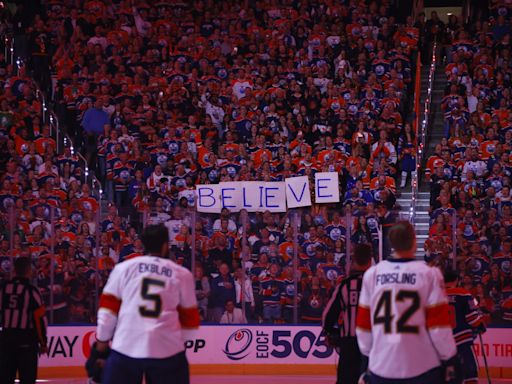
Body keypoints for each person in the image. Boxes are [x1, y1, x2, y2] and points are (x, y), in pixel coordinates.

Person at [94, 224, 200, 384]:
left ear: (143, 244)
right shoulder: (181, 273)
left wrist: (102, 344)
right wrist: (179, 342)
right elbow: (190, 320)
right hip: (167, 349)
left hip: (126, 345)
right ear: (165, 246)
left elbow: (107, 311)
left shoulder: (124, 268)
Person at [356, 221, 459, 383]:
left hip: (382, 367)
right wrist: (450, 359)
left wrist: (369, 357)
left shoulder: (373, 274)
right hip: (422, 366)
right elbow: (438, 328)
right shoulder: (429, 274)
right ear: (414, 241)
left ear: (392, 244)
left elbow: (363, 327)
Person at [323, 244, 373, 384]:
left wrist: (331, 332)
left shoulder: (345, 285)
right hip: (373, 343)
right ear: (370, 261)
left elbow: (328, 315)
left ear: (353, 261)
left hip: (349, 342)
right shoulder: (377, 284)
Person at [0, 257, 48, 384]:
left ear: (14, 270)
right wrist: (43, 342)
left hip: (6, 341)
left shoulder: (4, 289)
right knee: (27, 379)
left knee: (5, 378)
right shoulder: (32, 291)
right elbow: (40, 319)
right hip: (27, 343)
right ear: (29, 271)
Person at [445, 270, 484, 384]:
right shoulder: (464, 294)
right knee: (470, 371)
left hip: (443, 343)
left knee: (450, 374)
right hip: (462, 340)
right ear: (457, 280)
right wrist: (480, 325)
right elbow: (473, 318)